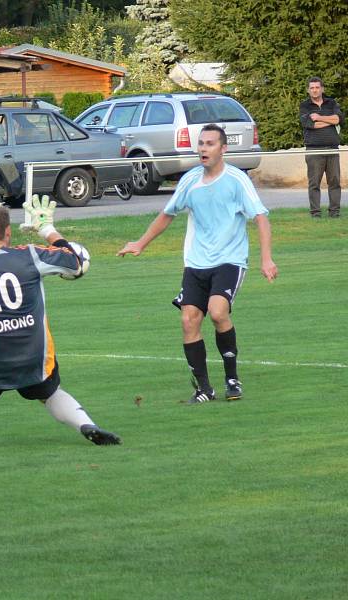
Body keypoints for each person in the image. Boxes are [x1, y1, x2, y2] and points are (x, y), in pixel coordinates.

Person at [0, 197, 121, 455]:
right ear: (8, 232)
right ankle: (86, 425)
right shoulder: (29, 254)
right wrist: (47, 229)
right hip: (33, 354)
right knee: (48, 391)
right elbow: (76, 262)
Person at [117, 124, 278, 404]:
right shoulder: (190, 180)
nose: (203, 149)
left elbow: (261, 218)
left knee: (217, 313)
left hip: (230, 260)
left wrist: (266, 258)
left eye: (210, 144)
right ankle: (205, 389)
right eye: (201, 143)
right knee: (188, 320)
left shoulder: (237, 180)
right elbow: (167, 214)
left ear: (223, 149)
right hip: (196, 262)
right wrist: (140, 243)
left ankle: (232, 379)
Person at [299, 77, 343, 218]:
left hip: (332, 148)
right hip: (314, 150)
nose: (315, 90)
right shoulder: (304, 106)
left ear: (322, 89)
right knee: (314, 183)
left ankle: (334, 213)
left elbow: (338, 119)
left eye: (317, 87)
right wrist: (329, 120)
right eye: (312, 88)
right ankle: (315, 214)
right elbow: (310, 125)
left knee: (335, 182)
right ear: (308, 90)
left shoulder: (332, 103)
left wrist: (319, 117)